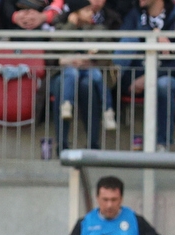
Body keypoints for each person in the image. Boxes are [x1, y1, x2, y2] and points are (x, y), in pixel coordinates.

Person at [115, 0, 175, 150]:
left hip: (172, 77)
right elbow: (124, 44)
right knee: (128, 41)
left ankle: (162, 144)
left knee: (163, 84)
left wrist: (151, 76)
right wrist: (152, 35)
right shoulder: (134, 15)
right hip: (137, 76)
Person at [49, 0, 120, 153]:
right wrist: (71, 27)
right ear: (75, 13)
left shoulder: (98, 29)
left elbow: (107, 53)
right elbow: (52, 51)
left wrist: (90, 60)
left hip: (89, 72)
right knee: (65, 82)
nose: (92, 13)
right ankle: (61, 144)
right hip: (64, 73)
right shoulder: (61, 27)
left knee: (87, 85)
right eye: (87, 10)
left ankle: (94, 142)